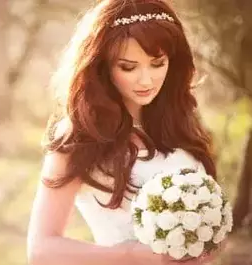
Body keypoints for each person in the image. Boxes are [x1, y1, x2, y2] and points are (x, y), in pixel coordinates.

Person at [27, 0, 219, 264]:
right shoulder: (79, 136)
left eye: (157, 63)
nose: (146, 80)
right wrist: (130, 255)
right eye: (128, 67)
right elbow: (41, 250)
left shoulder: (180, 122)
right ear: (103, 66)